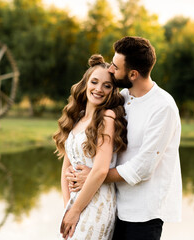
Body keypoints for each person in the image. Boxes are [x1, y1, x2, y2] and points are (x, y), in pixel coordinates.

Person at [66, 36, 182, 240]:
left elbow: (143, 167)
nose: (110, 69)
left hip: (144, 214)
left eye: (115, 67)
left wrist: (94, 175)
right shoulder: (124, 98)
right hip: (116, 206)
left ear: (133, 74)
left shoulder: (163, 107)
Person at [53, 54, 128, 239]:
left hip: (97, 205)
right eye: (94, 82)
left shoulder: (107, 118)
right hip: (74, 204)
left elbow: (101, 170)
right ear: (86, 83)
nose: (99, 89)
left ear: (113, 90)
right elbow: (66, 169)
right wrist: (67, 207)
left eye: (107, 85)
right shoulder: (77, 118)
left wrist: (75, 210)